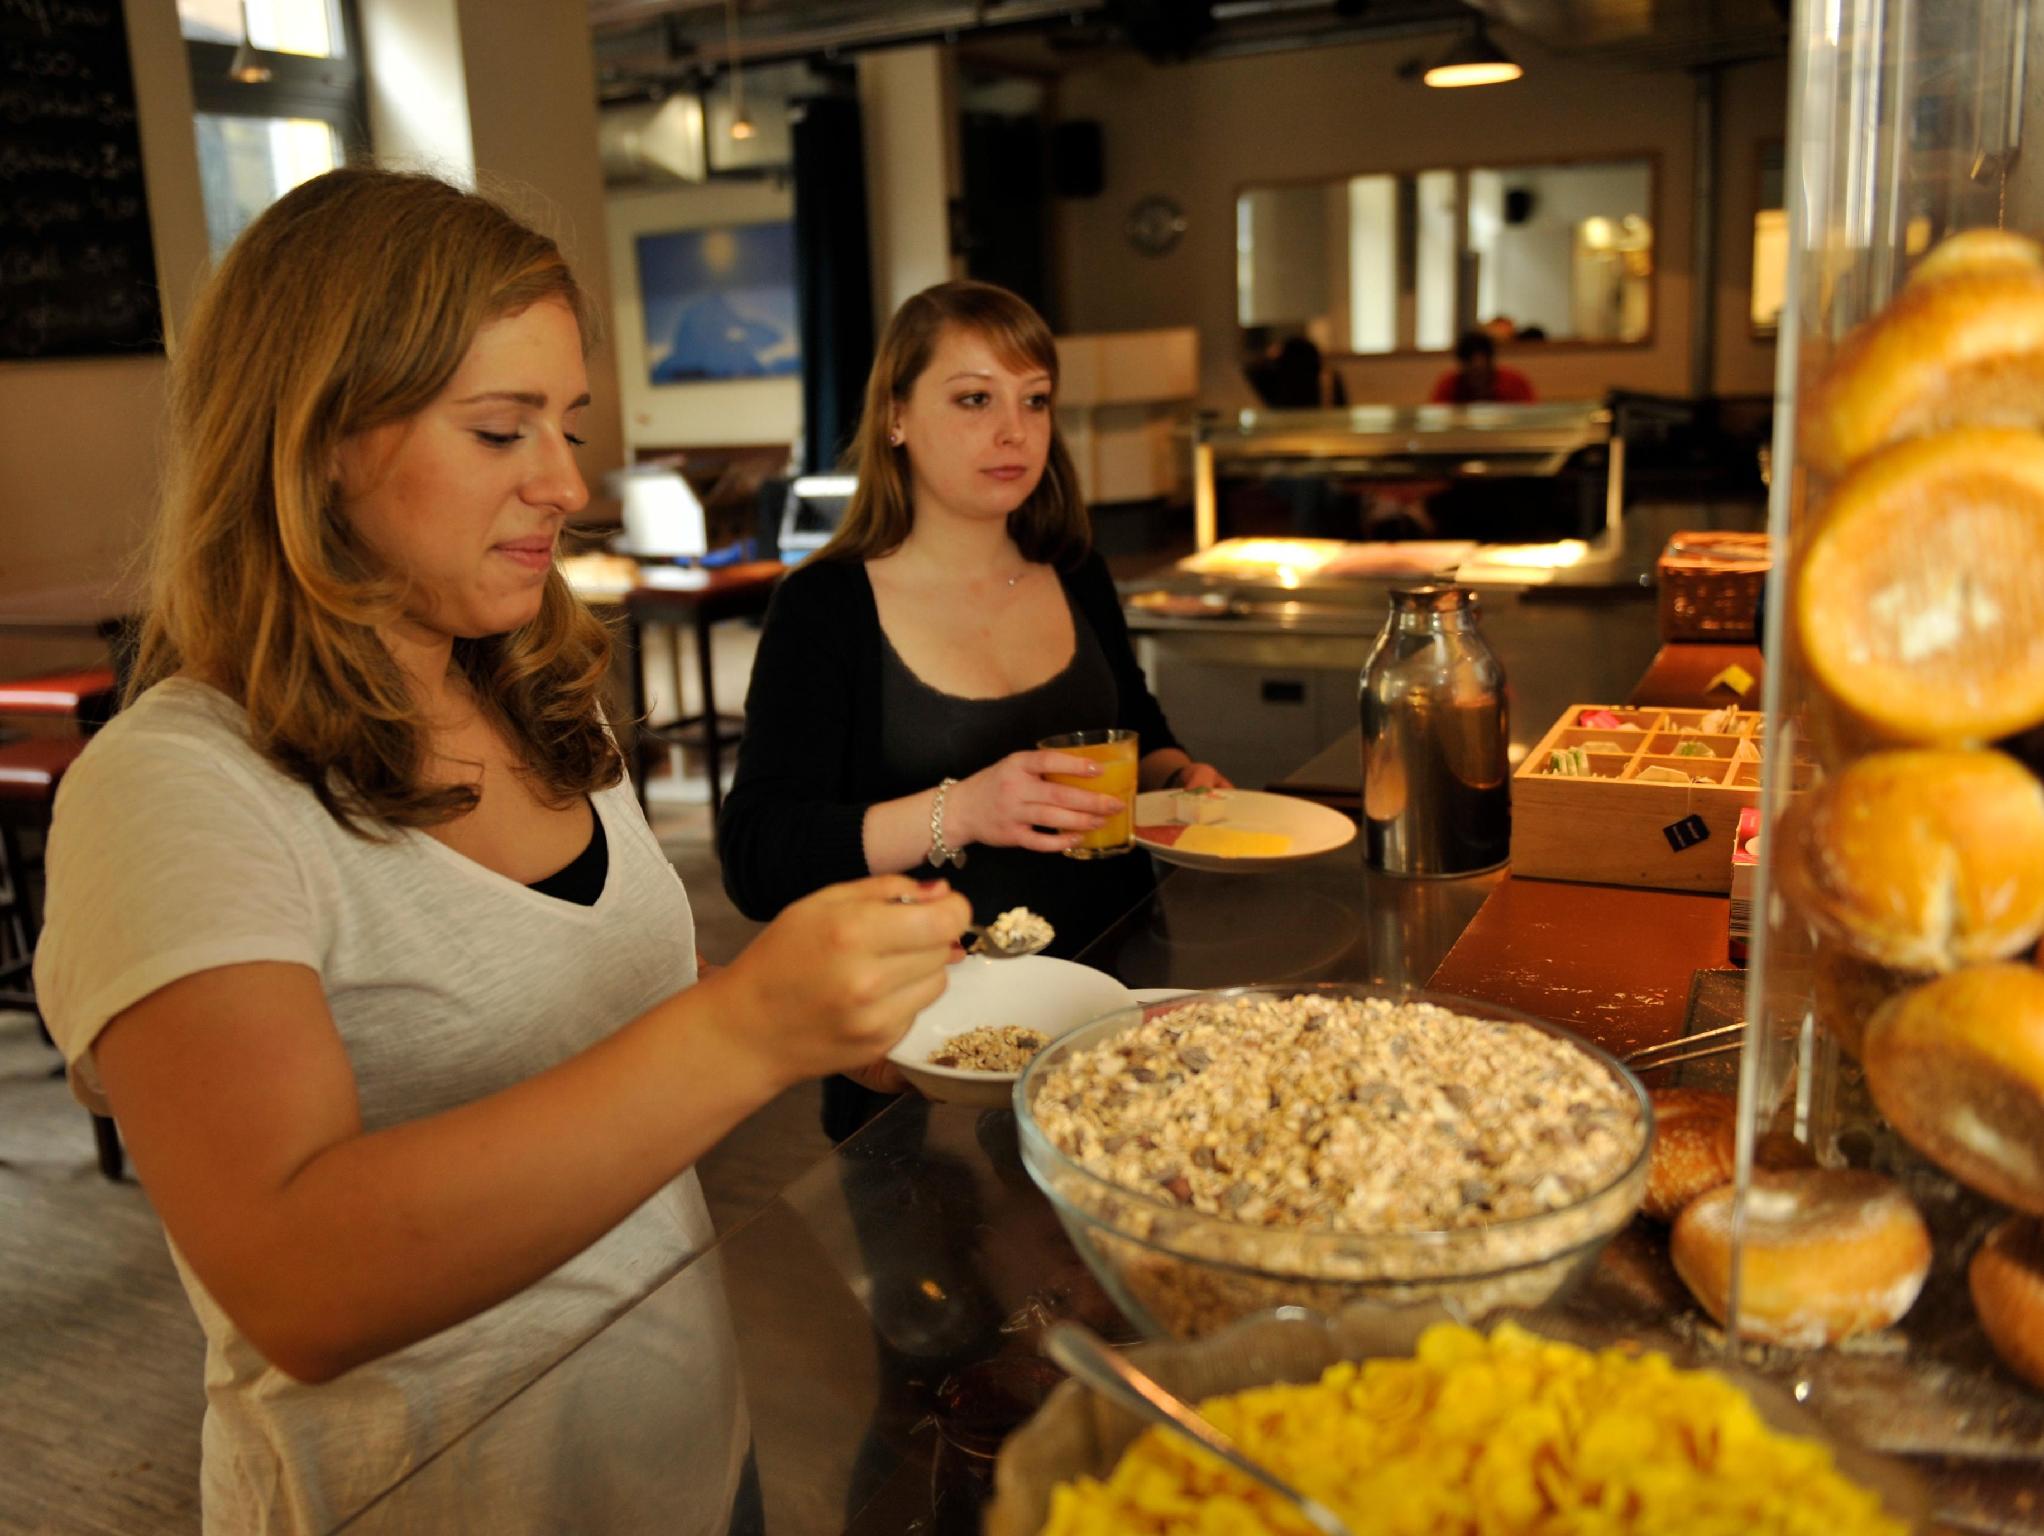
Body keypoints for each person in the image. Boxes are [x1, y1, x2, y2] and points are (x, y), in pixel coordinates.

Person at [31, 168, 967, 1535]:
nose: (566, 481)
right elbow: (300, 1284)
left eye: (567, 424)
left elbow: (600, 986)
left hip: (688, 1458)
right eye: (499, 430)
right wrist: (745, 1029)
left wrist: (833, 1006)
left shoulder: (535, 694)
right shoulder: (176, 788)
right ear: (318, 441)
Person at [716, 279, 1229, 1138]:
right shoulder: (827, 608)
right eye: (973, 399)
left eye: (1034, 401)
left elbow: (1140, 731)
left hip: (1110, 995)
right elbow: (757, 858)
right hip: (926, 1043)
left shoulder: (1075, 568)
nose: (1013, 432)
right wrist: (965, 811)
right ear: (896, 416)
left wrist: (1181, 777)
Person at [1429, 328, 1537, 404]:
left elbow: (1531, 415)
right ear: (1462, 366)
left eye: (1482, 371)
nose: (1478, 376)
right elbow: (1436, 416)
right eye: (1473, 371)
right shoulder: (1450, 385)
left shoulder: (1513, 383)